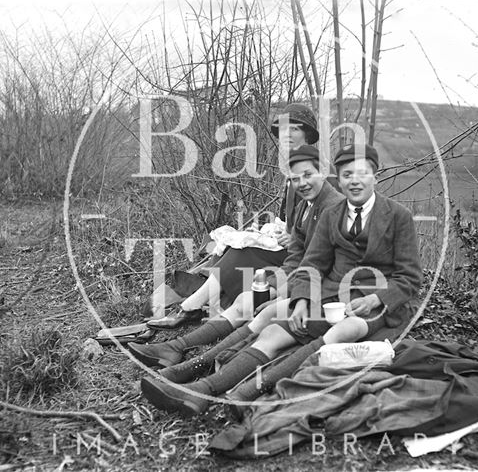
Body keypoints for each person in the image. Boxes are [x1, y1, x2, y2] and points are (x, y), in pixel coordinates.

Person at [139, 143, 423, 416]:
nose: (355, 182)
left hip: (378, 304)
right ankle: (200, 388)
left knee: (340, 333)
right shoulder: (332, 215)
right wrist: (301, 300)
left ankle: (243, 395)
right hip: (330, 295)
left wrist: (375, 299)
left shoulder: (398, 216)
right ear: (341, 178)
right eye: (348, 175)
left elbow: (409, 277)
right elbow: (313, 262)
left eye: (362, 174)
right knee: (272, 332)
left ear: (375, 175)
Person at [128, 140, 343, 371]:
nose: (302, 183)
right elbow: (296, 256)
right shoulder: (308, 205)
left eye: (308, 175)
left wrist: (286, 293)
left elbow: (323, 263)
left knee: (248, 304)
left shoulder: (334, 207)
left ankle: (184, 354)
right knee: (247, 298)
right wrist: (272, 285)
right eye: (295, 178)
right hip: (299, 275)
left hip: (321, 286)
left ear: (322, 171)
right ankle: (176, 348)